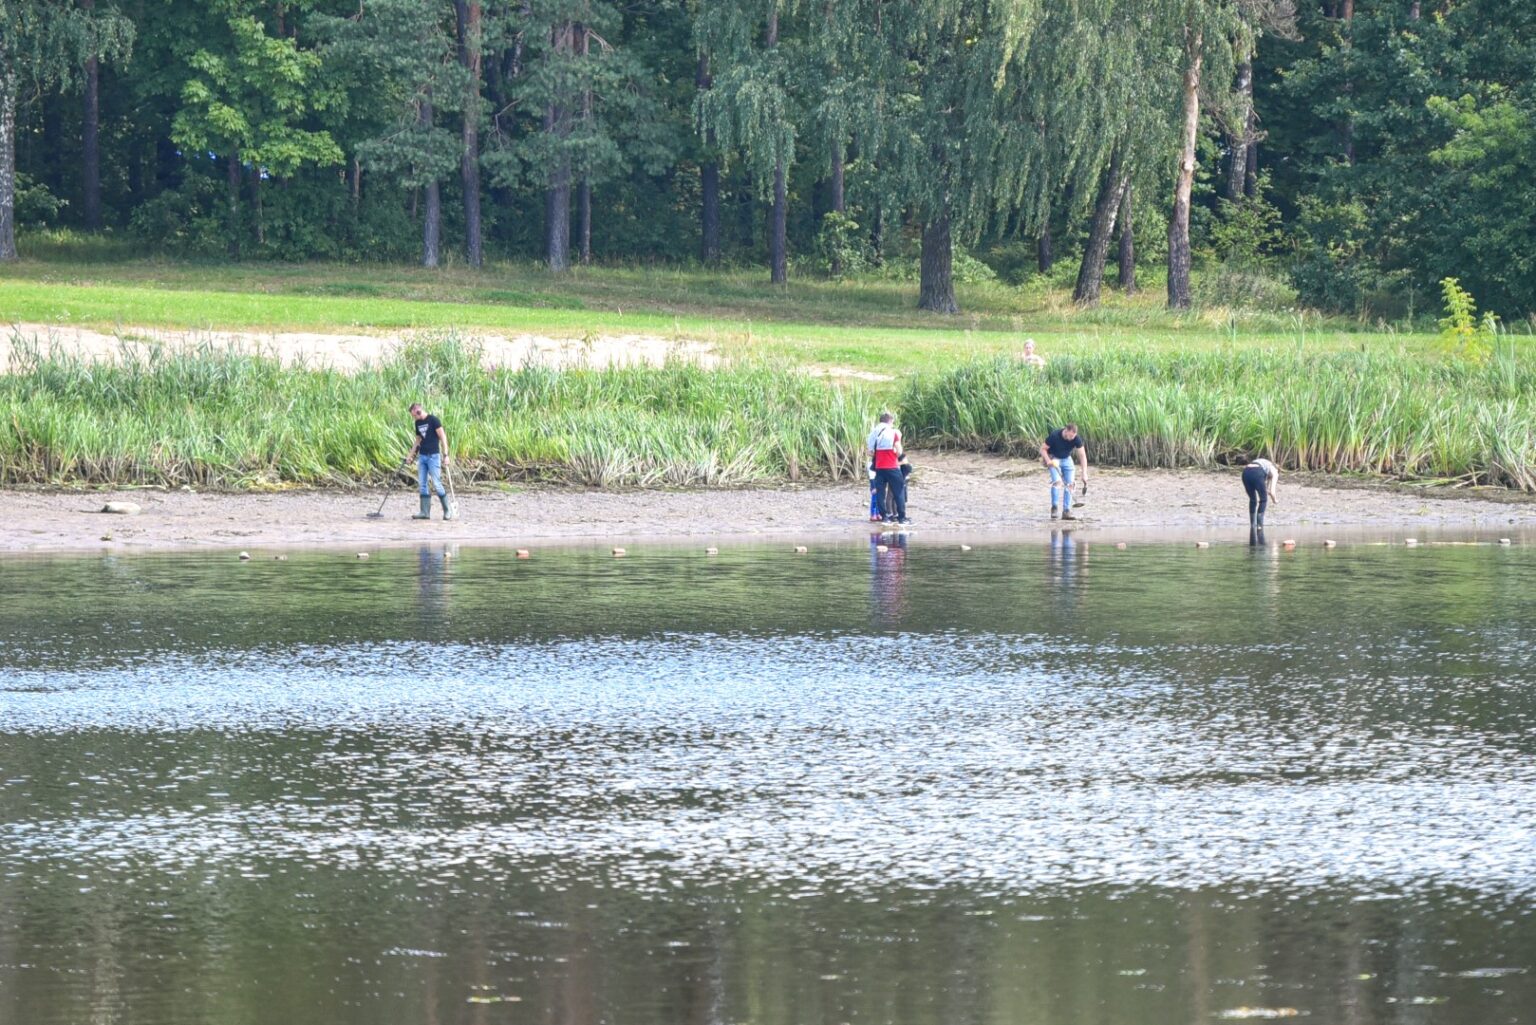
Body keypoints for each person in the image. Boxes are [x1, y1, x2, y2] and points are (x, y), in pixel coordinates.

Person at [408, 403, 456, 521]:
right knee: (422, 484)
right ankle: (424, 512)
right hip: (422, 457)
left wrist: (446, 455)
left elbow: (443, 437)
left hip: (433, 456)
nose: (414, 417)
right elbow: (418, 441)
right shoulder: (417, 423)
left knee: (436, 483)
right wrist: (410, 456)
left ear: (418, 411)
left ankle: (447, 511)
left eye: (414, 415)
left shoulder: (434, 420)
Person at [866, 412, 910, 525]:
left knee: (880, 493)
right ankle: (901, 518)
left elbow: (870, 453)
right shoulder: (892, 432)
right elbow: (898, 449)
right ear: (890, 421)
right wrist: (898, 456)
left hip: (879, 468)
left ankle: (884, 517)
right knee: (898, 492)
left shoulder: (873, 433)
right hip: (891, 466)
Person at [1039, 423, 1088, 520]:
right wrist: (1048, 460)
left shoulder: (1076, 439)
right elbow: (1043, 449)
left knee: (1070, 484)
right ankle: (1054, 508)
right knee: (1057, 482)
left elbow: (1082, 456)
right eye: (1069, 436)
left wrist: (1084, 473)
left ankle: (1066, 511)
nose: (1071, 439)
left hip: (1067, 459)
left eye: (1073, 437)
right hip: (1054, 458)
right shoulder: (1054, 435)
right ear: (1065, 430)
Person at [1242, 455, 1279, 528]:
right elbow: (1272, 492)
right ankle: (1259, 525)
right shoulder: (1275, 472)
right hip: (1257, 472)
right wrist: (1275, 500)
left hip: (1246, 472)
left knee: (1253, 500)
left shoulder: (1264, 464)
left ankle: (1252, 525)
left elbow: (1267, 488)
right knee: (1263, 500)